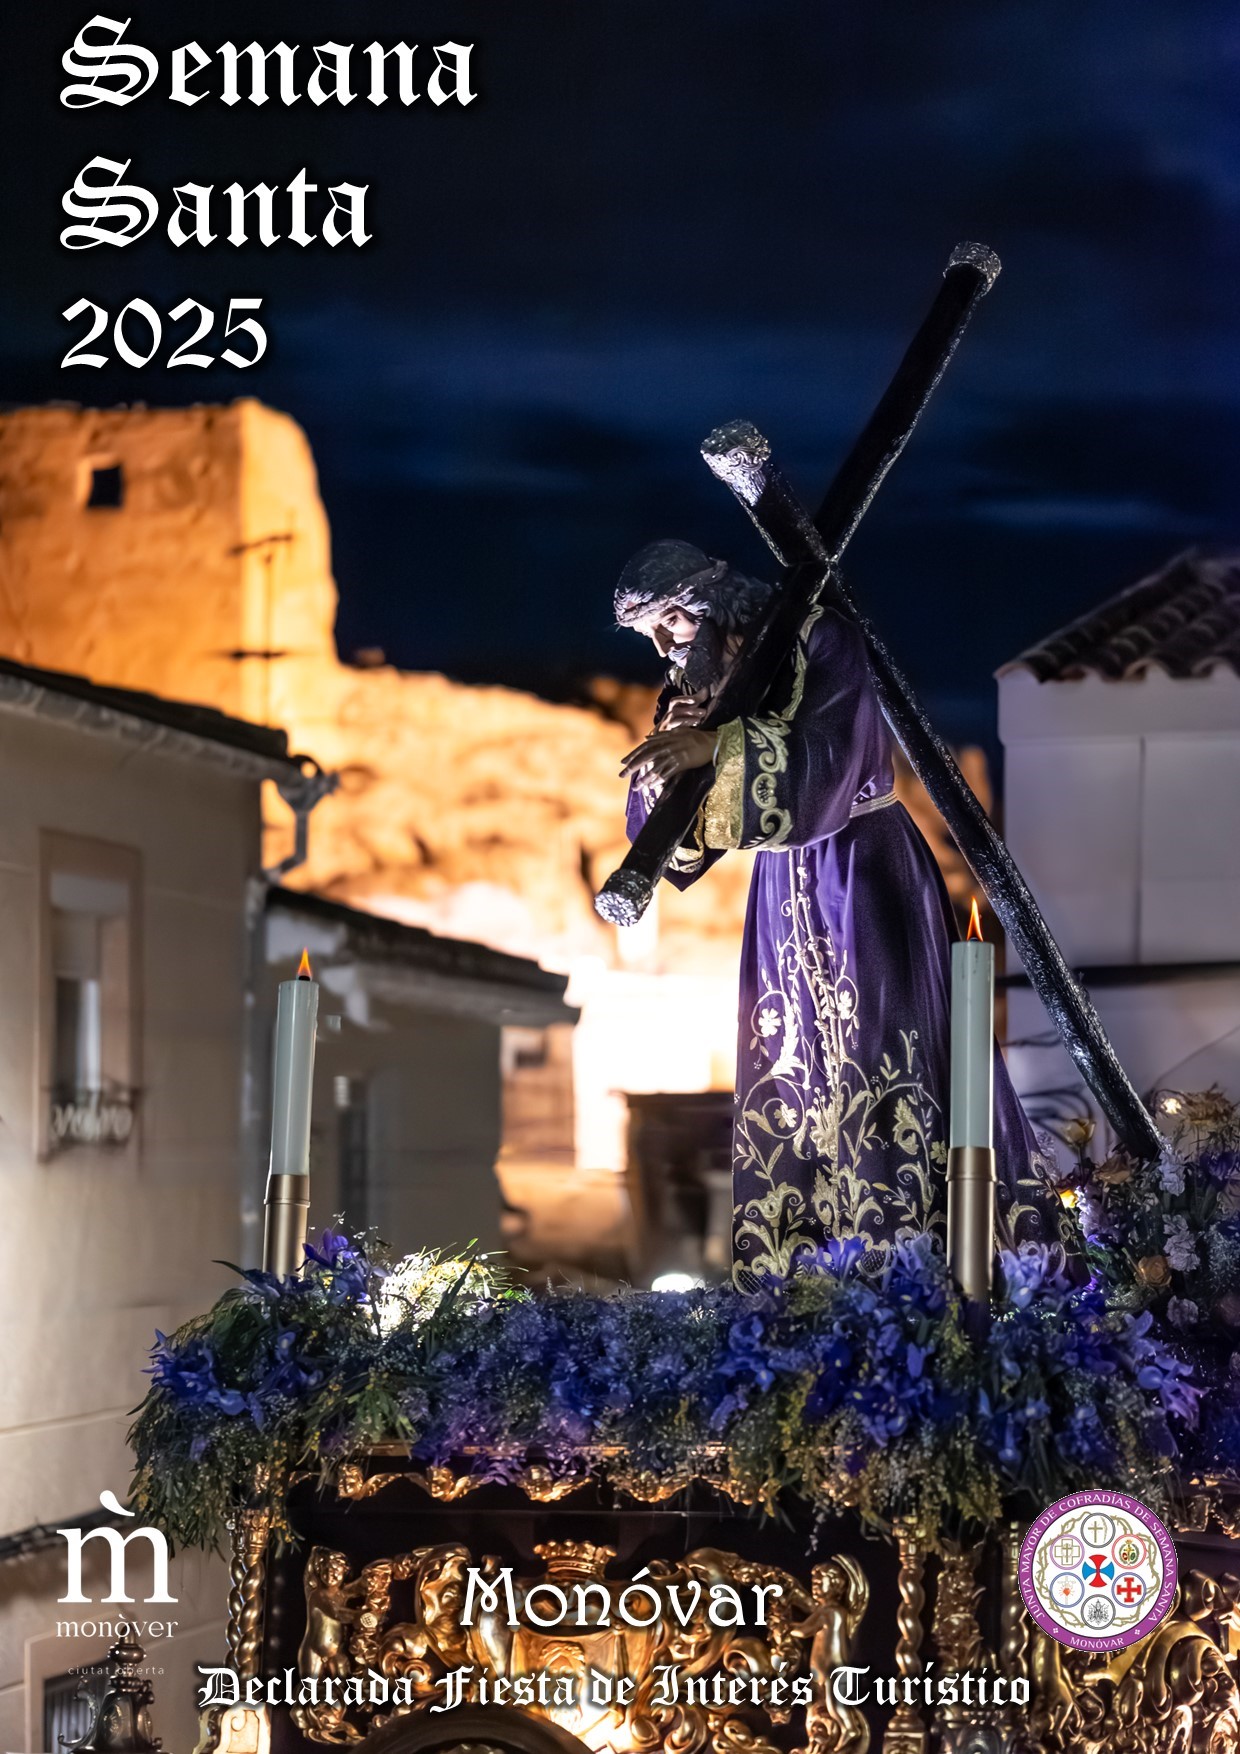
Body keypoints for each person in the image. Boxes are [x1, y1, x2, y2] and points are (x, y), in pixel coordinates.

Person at [615, 538, 1070, 1287]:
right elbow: (680, 847)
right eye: (649, 636)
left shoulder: (820, 638)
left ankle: (914, 1257)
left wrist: (714, 748)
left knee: (882, 1045)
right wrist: (670, 769)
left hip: (864, 866)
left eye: (670, 621)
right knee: (792, 1064)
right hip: (781, 895)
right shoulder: (695, 689)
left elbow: (831, 764)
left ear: (708, 596)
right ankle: (808, 1278)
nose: (665, 646)